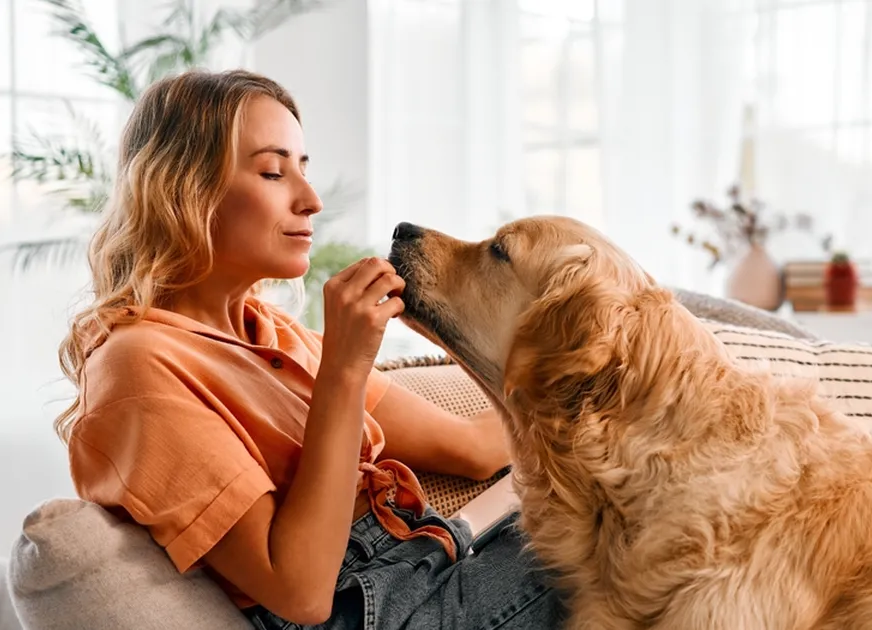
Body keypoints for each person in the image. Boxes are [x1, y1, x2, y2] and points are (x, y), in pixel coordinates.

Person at [57, 68, 566, 629]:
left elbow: (478, 448)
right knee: (627, 547)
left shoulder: (272, 334)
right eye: (274, 172)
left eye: (303, 169)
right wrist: (345, 368)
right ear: (183, 190)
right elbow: (299, 593)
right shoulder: (137, 370)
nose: (312, 200)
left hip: (427, 568)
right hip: (366, 613)